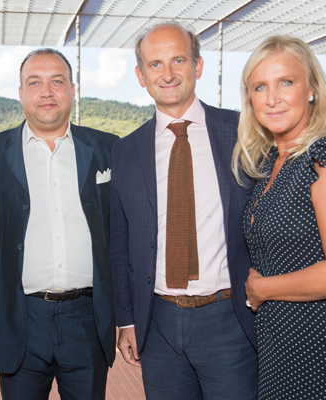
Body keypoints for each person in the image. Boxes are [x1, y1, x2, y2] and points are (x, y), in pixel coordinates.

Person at [110, 21, 258, 399]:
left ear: (198, 66)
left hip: (230, 320)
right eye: (155, 64)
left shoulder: (244, 133)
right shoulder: (126, 150)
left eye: (178, 59)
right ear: (141, 76)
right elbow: (120, 242)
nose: (169, 73)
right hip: (156, 325)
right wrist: (126, 320)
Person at [0, 48, 118, 399]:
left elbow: (120, 237)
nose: (46, 92)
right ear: (21, 92)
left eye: (57, 81)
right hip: (18, 317)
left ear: (72, 90)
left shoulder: (108, 148)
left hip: (88, 319)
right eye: (34, 82)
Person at [233, 35, 326, 399]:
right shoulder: (270, 163)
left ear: (311, 88)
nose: (272, 97)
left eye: (286, 82)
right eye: (260, 87)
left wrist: (261, 288)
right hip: (284, 347)